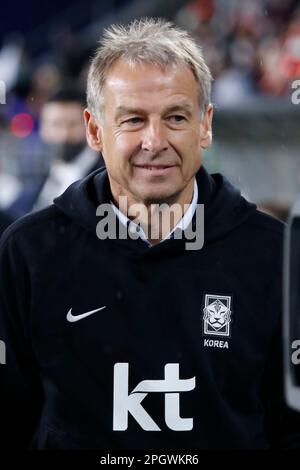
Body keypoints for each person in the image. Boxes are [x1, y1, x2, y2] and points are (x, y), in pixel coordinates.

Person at [0, 18, 300, 450]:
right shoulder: (28, 253)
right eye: (133, 120)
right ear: (94, 130)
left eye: (176, 117)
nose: (154, 140)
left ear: (206, 125)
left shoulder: (273, 254)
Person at [8, 87, 104, 218]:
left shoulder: (107, 176)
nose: (63, 135)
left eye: (72, 124)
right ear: (42, 128)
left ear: (90, 126)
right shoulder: (38, 178)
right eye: (55, 125)